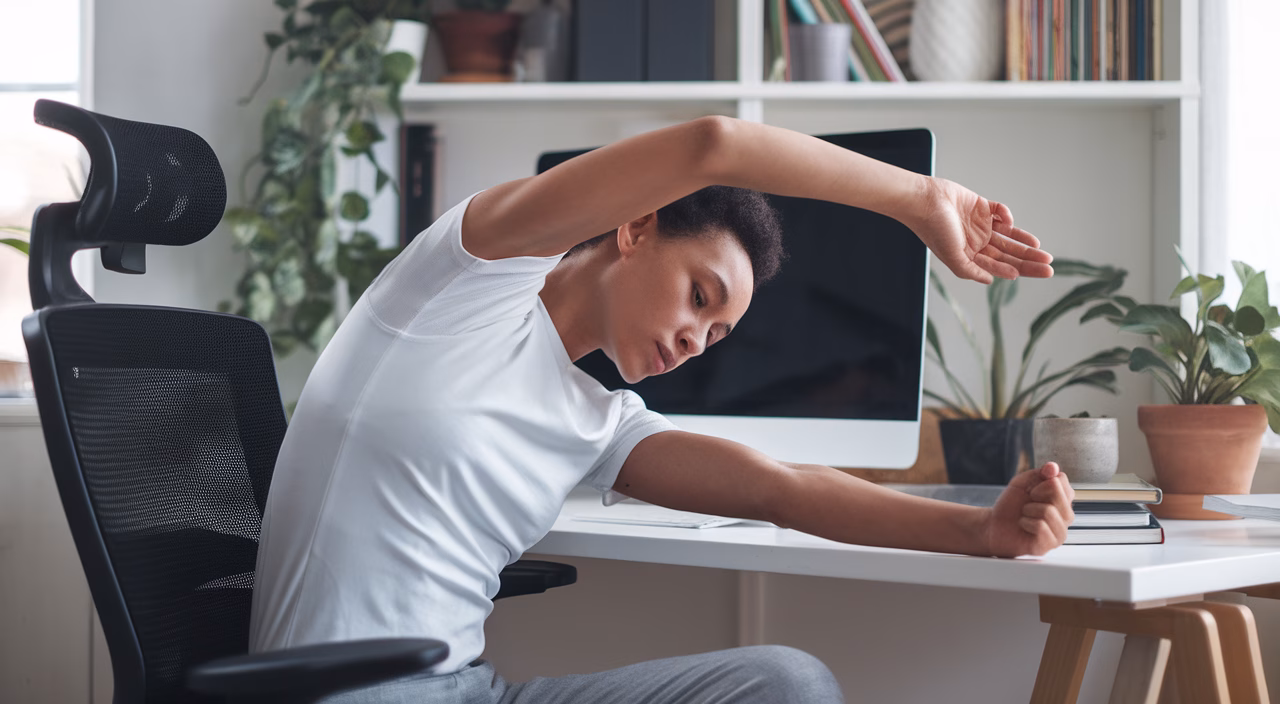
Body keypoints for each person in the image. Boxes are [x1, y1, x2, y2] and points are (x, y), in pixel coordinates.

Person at [248, 116, 1075, 703]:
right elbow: (711, 145)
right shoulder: (462, 284)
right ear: (635, 228)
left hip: (471, 690)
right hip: (346, 691)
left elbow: (777, 490)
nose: (697, 339)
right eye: (699, 296)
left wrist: (981, 533)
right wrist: (917, 198)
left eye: (719, 333)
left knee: (789, 685)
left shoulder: (595, 418)